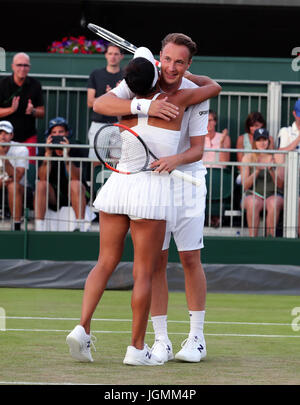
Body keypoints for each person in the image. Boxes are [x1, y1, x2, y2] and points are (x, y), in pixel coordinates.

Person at [66, 47, 221, 366]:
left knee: (106, 262)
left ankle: (83, 327)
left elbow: (101, 102)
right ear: (157, 65)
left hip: (118, 190)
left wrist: (152, 90)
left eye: (179, 61)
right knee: (146, 271)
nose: (172, 67)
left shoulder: (127, 100)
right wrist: (163, 90)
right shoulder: (175, 102)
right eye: (166, 60)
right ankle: (139, 347)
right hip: (150, 193)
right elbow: (215, 86)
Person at [34, 117, 88, 232]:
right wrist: (48, 154)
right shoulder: (45, 149)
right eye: (54, 133)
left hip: (76, 192)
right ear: (49, 135)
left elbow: (77, 177)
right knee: (40, 185)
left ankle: (80, 227)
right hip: (54, 194)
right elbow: (42, 177)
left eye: (60, 132)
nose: (57, 135)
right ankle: (39, 228)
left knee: (75, 184)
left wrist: (66, 155)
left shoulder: (76, 146)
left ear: (67, 133)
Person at [0, 52, 45, 161]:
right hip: (4, 138)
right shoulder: (2, 84)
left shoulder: (35, 84)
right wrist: (11, 110)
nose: (22, 68)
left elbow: (42, 112)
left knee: (29, 170)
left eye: (25, 65)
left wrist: (33, 110)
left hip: (28, 136)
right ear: (12, 66)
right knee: (5, 170)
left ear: (29, 67)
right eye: (19, 65)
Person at [241, 128, 284, 237]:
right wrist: (257, 170)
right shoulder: (247, 157)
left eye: (264, 139)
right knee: (253, 203)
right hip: (253, 194)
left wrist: (271, 170)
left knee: (274, 203)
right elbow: (245, 186)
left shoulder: (277, 156)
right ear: (254, 142)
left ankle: (270, 238)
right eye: (258, 140)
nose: (262, 143)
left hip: (273, 194)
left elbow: (280, 185)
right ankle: (253, 239)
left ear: (268, 141)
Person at [87, 43, 124, 165]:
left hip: (119, 125)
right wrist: (108, 96)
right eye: (110, 53)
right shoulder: (96, 74)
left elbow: (131, 101)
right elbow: (90, 102)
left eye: (116, 54)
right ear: (105, 55)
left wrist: (118, 95)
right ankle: (94, 185)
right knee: (96, 162)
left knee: (119, 163)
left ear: (121, 56)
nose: (113, 57)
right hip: (99, 124)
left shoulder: (126, 76)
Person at [203, 110, 231, 227]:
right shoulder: (197, 138)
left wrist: (221, 142)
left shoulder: (224, 137)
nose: (207, 123)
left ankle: (216, 216)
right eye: (205, 120)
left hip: (219, 175)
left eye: (210, 120)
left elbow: (225, 162)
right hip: (202, 174)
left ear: (215, 122)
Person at [277, 99, 300, 235]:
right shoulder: (286, 131)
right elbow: (279, 154)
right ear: (294, 114)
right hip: (290, 179)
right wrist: (298, 139)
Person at [0, 120, 29, 231]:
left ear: (11, 135)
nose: (2, 136)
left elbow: (17, 178)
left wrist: (3, 157)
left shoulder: (21, 149)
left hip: (22, 190)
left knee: (13, 186)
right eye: (0, 133)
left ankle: (16, 226)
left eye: (6, 133)